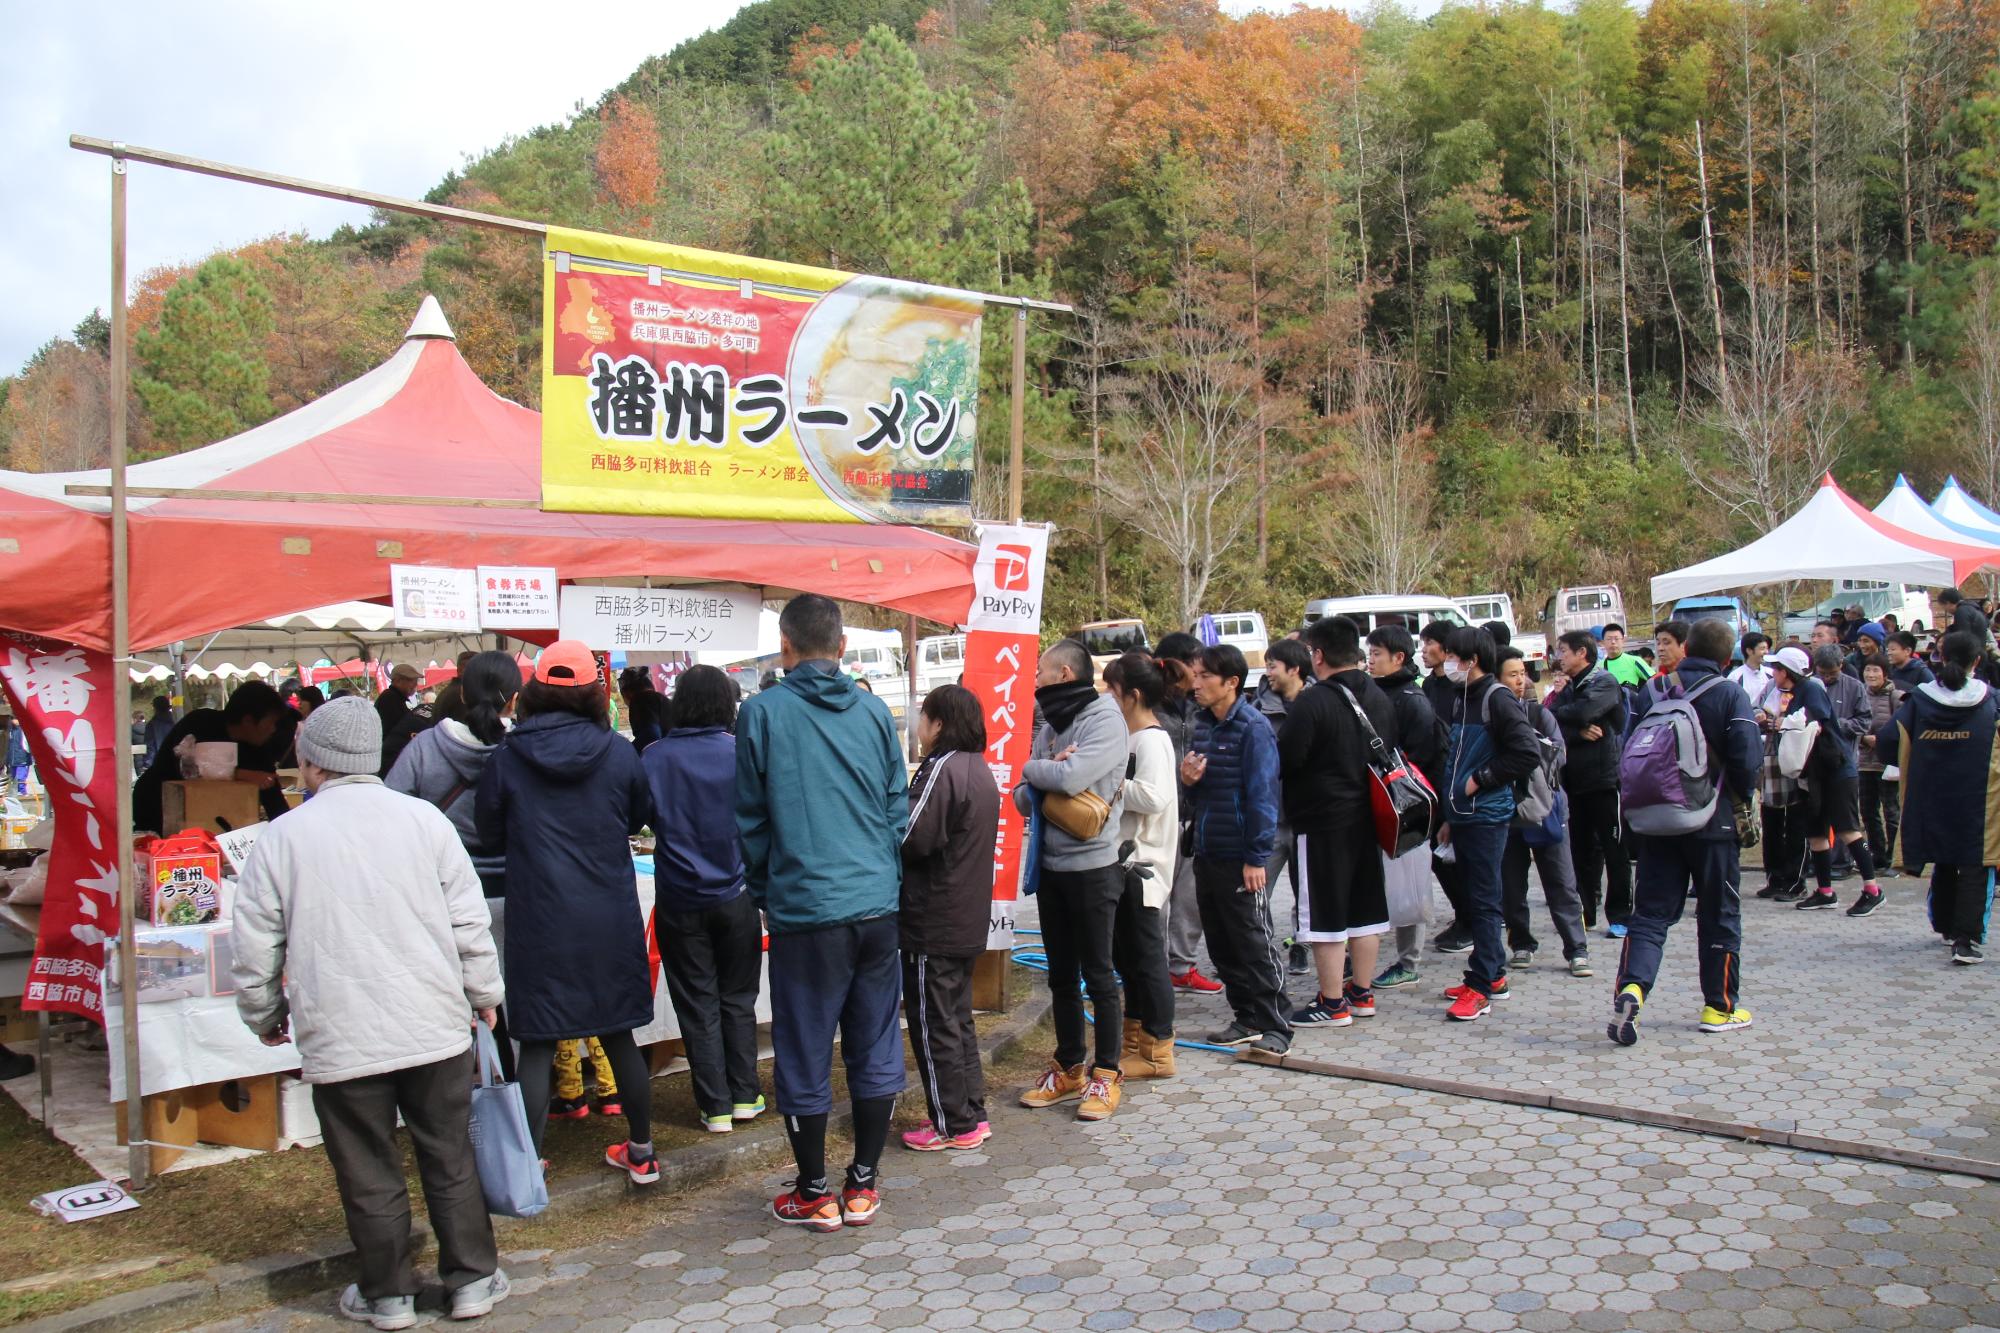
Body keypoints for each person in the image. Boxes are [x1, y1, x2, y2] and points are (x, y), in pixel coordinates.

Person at [231, 697, 509, 1329]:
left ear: (311, 761)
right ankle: (470, 1281)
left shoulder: (283, 836)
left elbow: (254, 945)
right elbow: (469, 922)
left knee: (367, 1165)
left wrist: (263, 1012)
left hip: (340, 1029)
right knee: (449, 1155)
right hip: (432, 1022)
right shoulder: (424, 822)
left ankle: (388, 1295)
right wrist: (486, 995)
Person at [736, 596, 910, 1230]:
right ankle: (862, 1184)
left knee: (806, 1046)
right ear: (841, 648)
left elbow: (750, 824)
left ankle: (813, 1191)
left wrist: (767, 893)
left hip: (806, 906)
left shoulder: (760, 714)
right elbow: (898, 808)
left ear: (785, 647)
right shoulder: (872, 712)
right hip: (874, 903)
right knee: (874, 1038)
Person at [474, 642, 658, 1183]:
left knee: (536, 1038)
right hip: (606, 910)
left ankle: (528, 1164)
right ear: (595, 693)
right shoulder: (618, 752)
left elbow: (488, 828)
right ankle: (642, 1151)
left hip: (540, 914)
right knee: (620, 1032)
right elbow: (641, 815)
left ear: (533, 691)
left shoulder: (508, 757)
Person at [1606, 619, 1761, 1045]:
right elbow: (1747, 760)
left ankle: (1632, 989)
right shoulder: (1731, 693)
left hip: (1657, 821)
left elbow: (1627, 746)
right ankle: (1719, 1007)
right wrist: (1740, 798)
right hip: (1714, 822)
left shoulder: (1652, 691)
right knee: (1718, 914)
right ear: (1727, 658)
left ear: (1687, 646)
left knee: (1651, 915)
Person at [641, 665, 765, 1136]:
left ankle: (714, 1106)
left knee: (696, 1002)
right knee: (738, 997)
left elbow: (639, 816)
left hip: (678, 896)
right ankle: (746, 1095)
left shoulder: (654, 756)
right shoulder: (740, 753)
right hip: (736, 893)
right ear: (725, 704)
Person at [1015, 638, 1131, 1119]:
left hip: (1094, 866)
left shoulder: (1105, 719)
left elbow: (1064, 779)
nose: (1035, 680)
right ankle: (1068, 1067)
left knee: (1099, 974)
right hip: (1052, 866)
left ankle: (1106, 1075)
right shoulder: (1051, 723)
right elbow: (1024, 798)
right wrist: (1043, 774)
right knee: (1061, 974)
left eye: (1041, 672)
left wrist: (1035, 771)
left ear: (1065, 674)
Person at [897, 684, 1002, 1151]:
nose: (918, 727)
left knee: (932, 1021)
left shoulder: (940, 769)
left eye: (923, 717)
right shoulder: (979, 769)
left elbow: (912, 837)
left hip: (932, 917)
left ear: (938, 724)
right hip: (964, 915)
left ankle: (950, 1122)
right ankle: (970, 1113)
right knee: (957, 1019)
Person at [1280, 616, 1395, 1031]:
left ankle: (1331, 1002)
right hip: (1370, 817)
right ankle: (1361, 993)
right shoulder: (1379, 697)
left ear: (1318, 655)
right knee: (1366, 908)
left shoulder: (1315, 701)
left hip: (1323, 819)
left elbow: (1288, 757)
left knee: (1326, 913)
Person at [1181, 643, 1287, 1052]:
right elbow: (1198, 792)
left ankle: (1277, 1026)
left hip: (1242, 856)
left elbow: (1263, 797)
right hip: (1208, 851)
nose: (1197, 683)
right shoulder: (1203, 723)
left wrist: (1256, 857)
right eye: (1196, 674)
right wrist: (1188, 781)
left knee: (1254, 942)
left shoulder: (1254, 727)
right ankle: (1246, 1016)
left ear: (1232, 683)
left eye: (1205, 676)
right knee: (1221, 943)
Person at [1437, 626, 1540, 1021]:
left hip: (1487, 814)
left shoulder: (1497, 699)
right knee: (1477, 895)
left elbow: (1525, 752)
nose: (1447, 662)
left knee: (1483, 899)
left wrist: (1482, 780)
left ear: (1472, 660)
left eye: (1452, 656)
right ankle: (1491, 973)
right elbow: (1455, 757)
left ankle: (1481, 986)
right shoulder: (1463, 696)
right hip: (1463, 815)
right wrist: (1450, 814)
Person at [1882, 631, 1998, 963]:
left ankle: (1946, 926)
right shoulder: (1991, 701)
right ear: (1977, 661)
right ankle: (1966, 939)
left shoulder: (1919, 700)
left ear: (1940, 658)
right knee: (1976, 865)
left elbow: (1891, 742)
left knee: (1943, 861)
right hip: (1980, 801)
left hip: (1931, 799)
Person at [386, 651, 523, 901]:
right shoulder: (527, 750)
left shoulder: (424, 747)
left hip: (441, 889)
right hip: (517, 887)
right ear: (514, 700)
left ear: (462, 694)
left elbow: (390, 813)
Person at [1102, 653, 1179, 1081]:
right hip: (1123, 864)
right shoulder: (1130, 737)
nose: (1106, 698)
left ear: (1131, 696)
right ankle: (1135, 1045)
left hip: (1143, 867)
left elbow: (1153, 797)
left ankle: (1157, 1050)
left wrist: (1106, 780)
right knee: (1129, 961)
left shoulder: (1151, 740)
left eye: (1111, 691)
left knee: (1147, 962)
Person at [1495, 647, 1591, 976]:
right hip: (1507, 816)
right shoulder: (1487, 719)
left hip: (1546, 809)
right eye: (1512, 674)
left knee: (1561, 882)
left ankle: (1576, 948)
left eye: (1522, 673)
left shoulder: (1537, 714)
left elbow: (1559, 755)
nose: (1520, 680)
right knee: (1511, 886)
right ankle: (1521, 943)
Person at [1769, 645, 1884, 914]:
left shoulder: (1811, 690)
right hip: (1814, 772)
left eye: (1775, 668)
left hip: (1836, 769)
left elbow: (1818, 721)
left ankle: (1873, 890)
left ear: (1787, 671)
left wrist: (1785, 723)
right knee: (1816, 832)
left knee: (1848, 830)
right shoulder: (1798, 692)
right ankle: (1825, 890)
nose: (1772, 673)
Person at [1365, 626, 1446, 991]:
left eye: (1377, 653)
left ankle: (1408, 961)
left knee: (1409, 886)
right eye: (1369, 652)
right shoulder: (1373, 692)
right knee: (1383, 884)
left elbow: (1423, 759)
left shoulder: (1413, 700)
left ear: (1398, 658)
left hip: (1405, 805)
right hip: (1378, 801)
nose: (1371, 660)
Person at [1545, 629, 1630, 935]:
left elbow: (1585, 710)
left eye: (1564, 651)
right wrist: (1577, 732)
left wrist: (1569, 717)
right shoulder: (1568, 687)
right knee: (1579, 851)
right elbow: (1549, 719)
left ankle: (1620, 914)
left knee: (1614, 849)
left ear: (1582, 653)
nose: (1559, 658)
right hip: (1574, 782)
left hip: (1605, 780)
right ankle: (1585, 912)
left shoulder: (1603, 682)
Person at [131, 681, 292, 833]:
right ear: (248, 721)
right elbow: (185, 769)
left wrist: (288, 833)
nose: (273, 729)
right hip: (158, 806)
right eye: (270, 722)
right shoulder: (200, 723)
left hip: (216, 823)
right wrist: (240, 775)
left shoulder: (258, 747)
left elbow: (274, 799)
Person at [1153, 632, 1218, 994]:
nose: (1200, 676)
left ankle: (1182, 965)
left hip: (1194, 814)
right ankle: (1152, 966)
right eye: (1196, 668)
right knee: (1156, 898)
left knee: (1190, 898)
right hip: (1157, 817)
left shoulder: (1202, 709)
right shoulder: (1144, 706)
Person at [1255, 638, 1314, 975]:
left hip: (1308, 818)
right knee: (1257, 892)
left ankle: (1301, 946)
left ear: (1294, 669)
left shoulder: (1320, 703)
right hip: (1273, 819)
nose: (1268, 673)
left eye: (1273, 666)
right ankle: (1258, 951)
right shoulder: (1259, 709)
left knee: (1307, 894)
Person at [1418, 620, 1471, 953]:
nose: (1423, 650)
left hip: (1459, 781)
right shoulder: (1427, 686)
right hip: (1433, 782)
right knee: (1439, 855)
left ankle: (1471, 922)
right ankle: (1463, 915)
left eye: (1429, 644)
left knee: (1458, 855)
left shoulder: (1460, 687)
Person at [1857, 660, 1905, 881]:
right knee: (1868, 811)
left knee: (1891, 811)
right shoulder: (1860, 694)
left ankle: (1894, 857)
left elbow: (1901, 727)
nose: (1871, 674)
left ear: (1885, 673)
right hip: (1864, 761)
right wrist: (1863, 738)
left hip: (1887, 764)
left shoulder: (1896, 697)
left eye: (1876, 669)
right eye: (1868, 669)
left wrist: (1883, 740)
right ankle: (1877, 855)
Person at [618, 667, 669, 754]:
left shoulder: (640, 700)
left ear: (627, 693)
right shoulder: (661, 698)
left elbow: (651, 735)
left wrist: (628, 751)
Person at [1729, 633, 1779, 715]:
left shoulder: (1771, 673)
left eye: (1767, 648)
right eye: (1762, 648)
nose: (1766, 652)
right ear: (1749, 651)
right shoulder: (1735, 677)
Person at [1599, 624, 1653, 689]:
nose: (1613, 642)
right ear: (1603, 642)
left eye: (1616, 639)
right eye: (1609, 639)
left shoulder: (1635, 661)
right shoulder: (1598, 667)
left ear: (1623, 640)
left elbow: (1655, 681)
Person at [375, 663, 422, 734]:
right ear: (398, 681)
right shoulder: (390, 697)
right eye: (411, 680)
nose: (415, 684)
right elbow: (399, 727)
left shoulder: (396, 697)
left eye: (416, 680)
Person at [141, 695, 177, 770]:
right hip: (174, 763)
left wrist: (147, 764)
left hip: (159, 764)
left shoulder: (152, 725)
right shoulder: (175, 723)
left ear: (155, 708)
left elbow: (150, 747)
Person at [6, 717, 29, 796]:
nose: (13, 721)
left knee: (21, 777)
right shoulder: (10, 730)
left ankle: (22, 792)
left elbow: (28, 745)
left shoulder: (23, 730)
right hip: (11, 758)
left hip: (22, 757)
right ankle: (12, 793)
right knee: (11, 777)